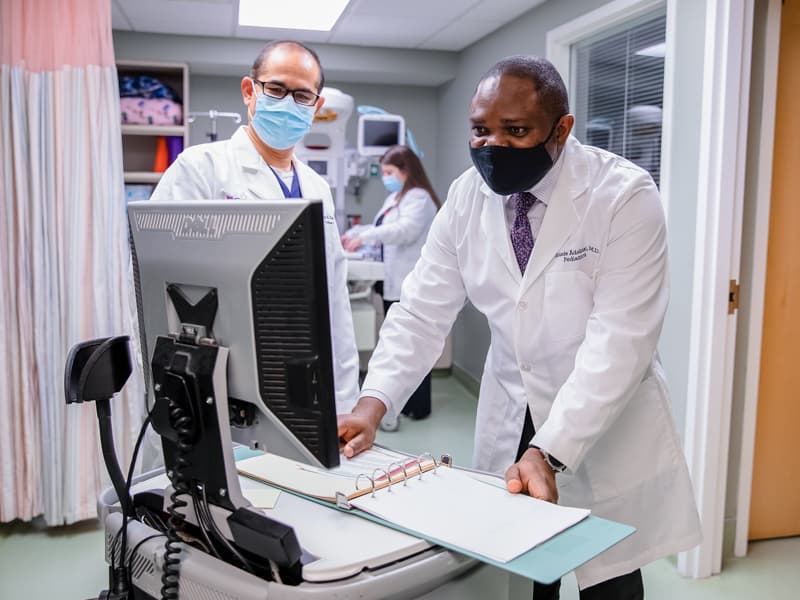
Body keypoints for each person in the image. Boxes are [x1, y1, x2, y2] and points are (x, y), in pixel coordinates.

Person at [337, 55, 701, 598]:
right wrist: (374, 402)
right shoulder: (465, 197)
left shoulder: (623, 195)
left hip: (601, 413)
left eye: (516, 131)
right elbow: (421, 309)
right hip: (513, 404)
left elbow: (621, 339)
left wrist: (550, 450)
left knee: (610, 576)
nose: (492, 146)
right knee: (525, 566)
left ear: (562, 130)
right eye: (481, 130)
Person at [149, 40, 359, 413]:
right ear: (250, 91)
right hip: (215, 380)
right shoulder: (200, 169)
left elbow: (334, 298)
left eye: (302, 95)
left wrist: (344, 398)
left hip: (301, 376)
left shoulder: (317, 188)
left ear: (316, 107)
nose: (288, 103)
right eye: (276, 90)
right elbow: (157, 290)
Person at [341, 145, 440, 428]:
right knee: (398, 339)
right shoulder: (396, 197)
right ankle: (399, 400)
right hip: (394, 279)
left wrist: (367, 236)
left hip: (411, 280)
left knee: (413, 342)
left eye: (388, 172)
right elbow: (382, 226)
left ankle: (417, 407)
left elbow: (404, 230)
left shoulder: (419, 198)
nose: (385, 177)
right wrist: (356, 234)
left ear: (406, 171)